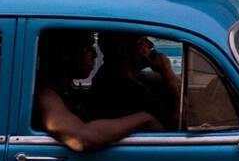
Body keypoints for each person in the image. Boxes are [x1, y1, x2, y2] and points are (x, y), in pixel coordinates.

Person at [32, 30, 163, 153]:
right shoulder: (46, 96)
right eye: (88, 47)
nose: (95, 54)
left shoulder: (67, 90)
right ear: (66, 55)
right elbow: (80, 138)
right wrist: (144, 119)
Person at [90, 32, 182, 129]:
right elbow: (178, 124)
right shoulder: (125, 90)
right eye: (142, 41)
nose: (151, 45)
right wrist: (168, 73)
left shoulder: (112, 75)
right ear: (123, 50)